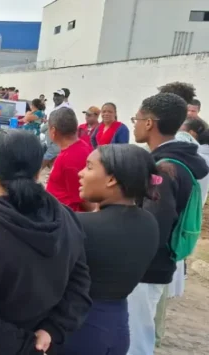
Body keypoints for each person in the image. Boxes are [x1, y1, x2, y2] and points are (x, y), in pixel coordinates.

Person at [0, 129, 91, 354]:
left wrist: (26, 344)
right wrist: (50, 331)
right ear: (38, 171)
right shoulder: (66, 218)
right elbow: (79, 287)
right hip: (41, 345)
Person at [129, 92, 209, 355]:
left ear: (150, 123)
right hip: (159, 263)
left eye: (137, 119)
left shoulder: (163, 168)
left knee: (136, 335)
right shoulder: (180, 160)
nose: (135, 124)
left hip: (147, 266)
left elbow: (154, 225)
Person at [62, 144, 160, 355]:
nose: (81, 173)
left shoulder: (79, 225)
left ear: (111, 179)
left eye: (89, 167)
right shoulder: (149, 223)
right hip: (118, 327)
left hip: (78, 329)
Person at [46, 107, 95, 212]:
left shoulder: (68, 159)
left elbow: (84, 199)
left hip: (65, 218)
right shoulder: (82, 146)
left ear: (53, 131)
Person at [42, 89, 72, 170]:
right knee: (53, 161)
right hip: (50, 138)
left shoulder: (65, 109)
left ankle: (35, 174)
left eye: (58, 96)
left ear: (63, 97)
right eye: (55, 96)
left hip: (57, 138)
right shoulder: (54, 107)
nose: (56, 98)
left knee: (46, 157)